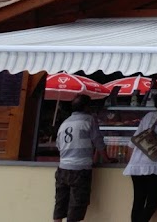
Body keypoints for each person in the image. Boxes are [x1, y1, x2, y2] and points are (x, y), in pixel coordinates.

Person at [53, 93, 112, 222]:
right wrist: (106, 158)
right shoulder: (89, 120)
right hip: (80, 169)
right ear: (86, 107)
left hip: (63, 168)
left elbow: (58, 145)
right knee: (76, 207)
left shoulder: (65, 122)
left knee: (60, 204)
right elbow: (98, 141)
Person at [124, 88, 157, 222]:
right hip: (155, 163)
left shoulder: (148, 115)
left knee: (138, 201)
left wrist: (130, 160)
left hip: (137, 163)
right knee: (153, 201)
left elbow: (134, 140)